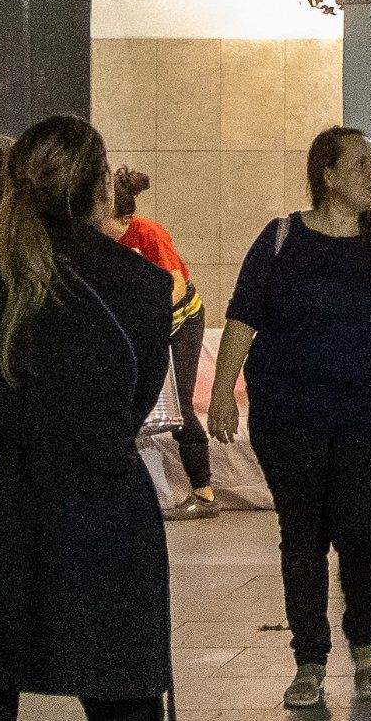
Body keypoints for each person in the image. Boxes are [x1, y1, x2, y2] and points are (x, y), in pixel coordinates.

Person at [0, 114, 178, 721]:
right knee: (122, 701)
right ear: (102, 187)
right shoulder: (142, 287)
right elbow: (135, 403)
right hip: (98, 520)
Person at [211, 124, 371, 709]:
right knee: (303, 536)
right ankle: (310, 659)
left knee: (363, 532)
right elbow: (242, 317)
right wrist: (220, 394)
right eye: (363, 164)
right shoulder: (281, 239)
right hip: (289, 414)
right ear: (329, 175)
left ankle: (364, 645)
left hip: (367, 413)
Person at [111, 164, 217, 516]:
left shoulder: (147, 234)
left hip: (181, 323)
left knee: (181, 405)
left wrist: (146, 316)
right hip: (143, 329)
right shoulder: (98, 239)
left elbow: (177, 286)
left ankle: (204, 493)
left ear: (122, 216)